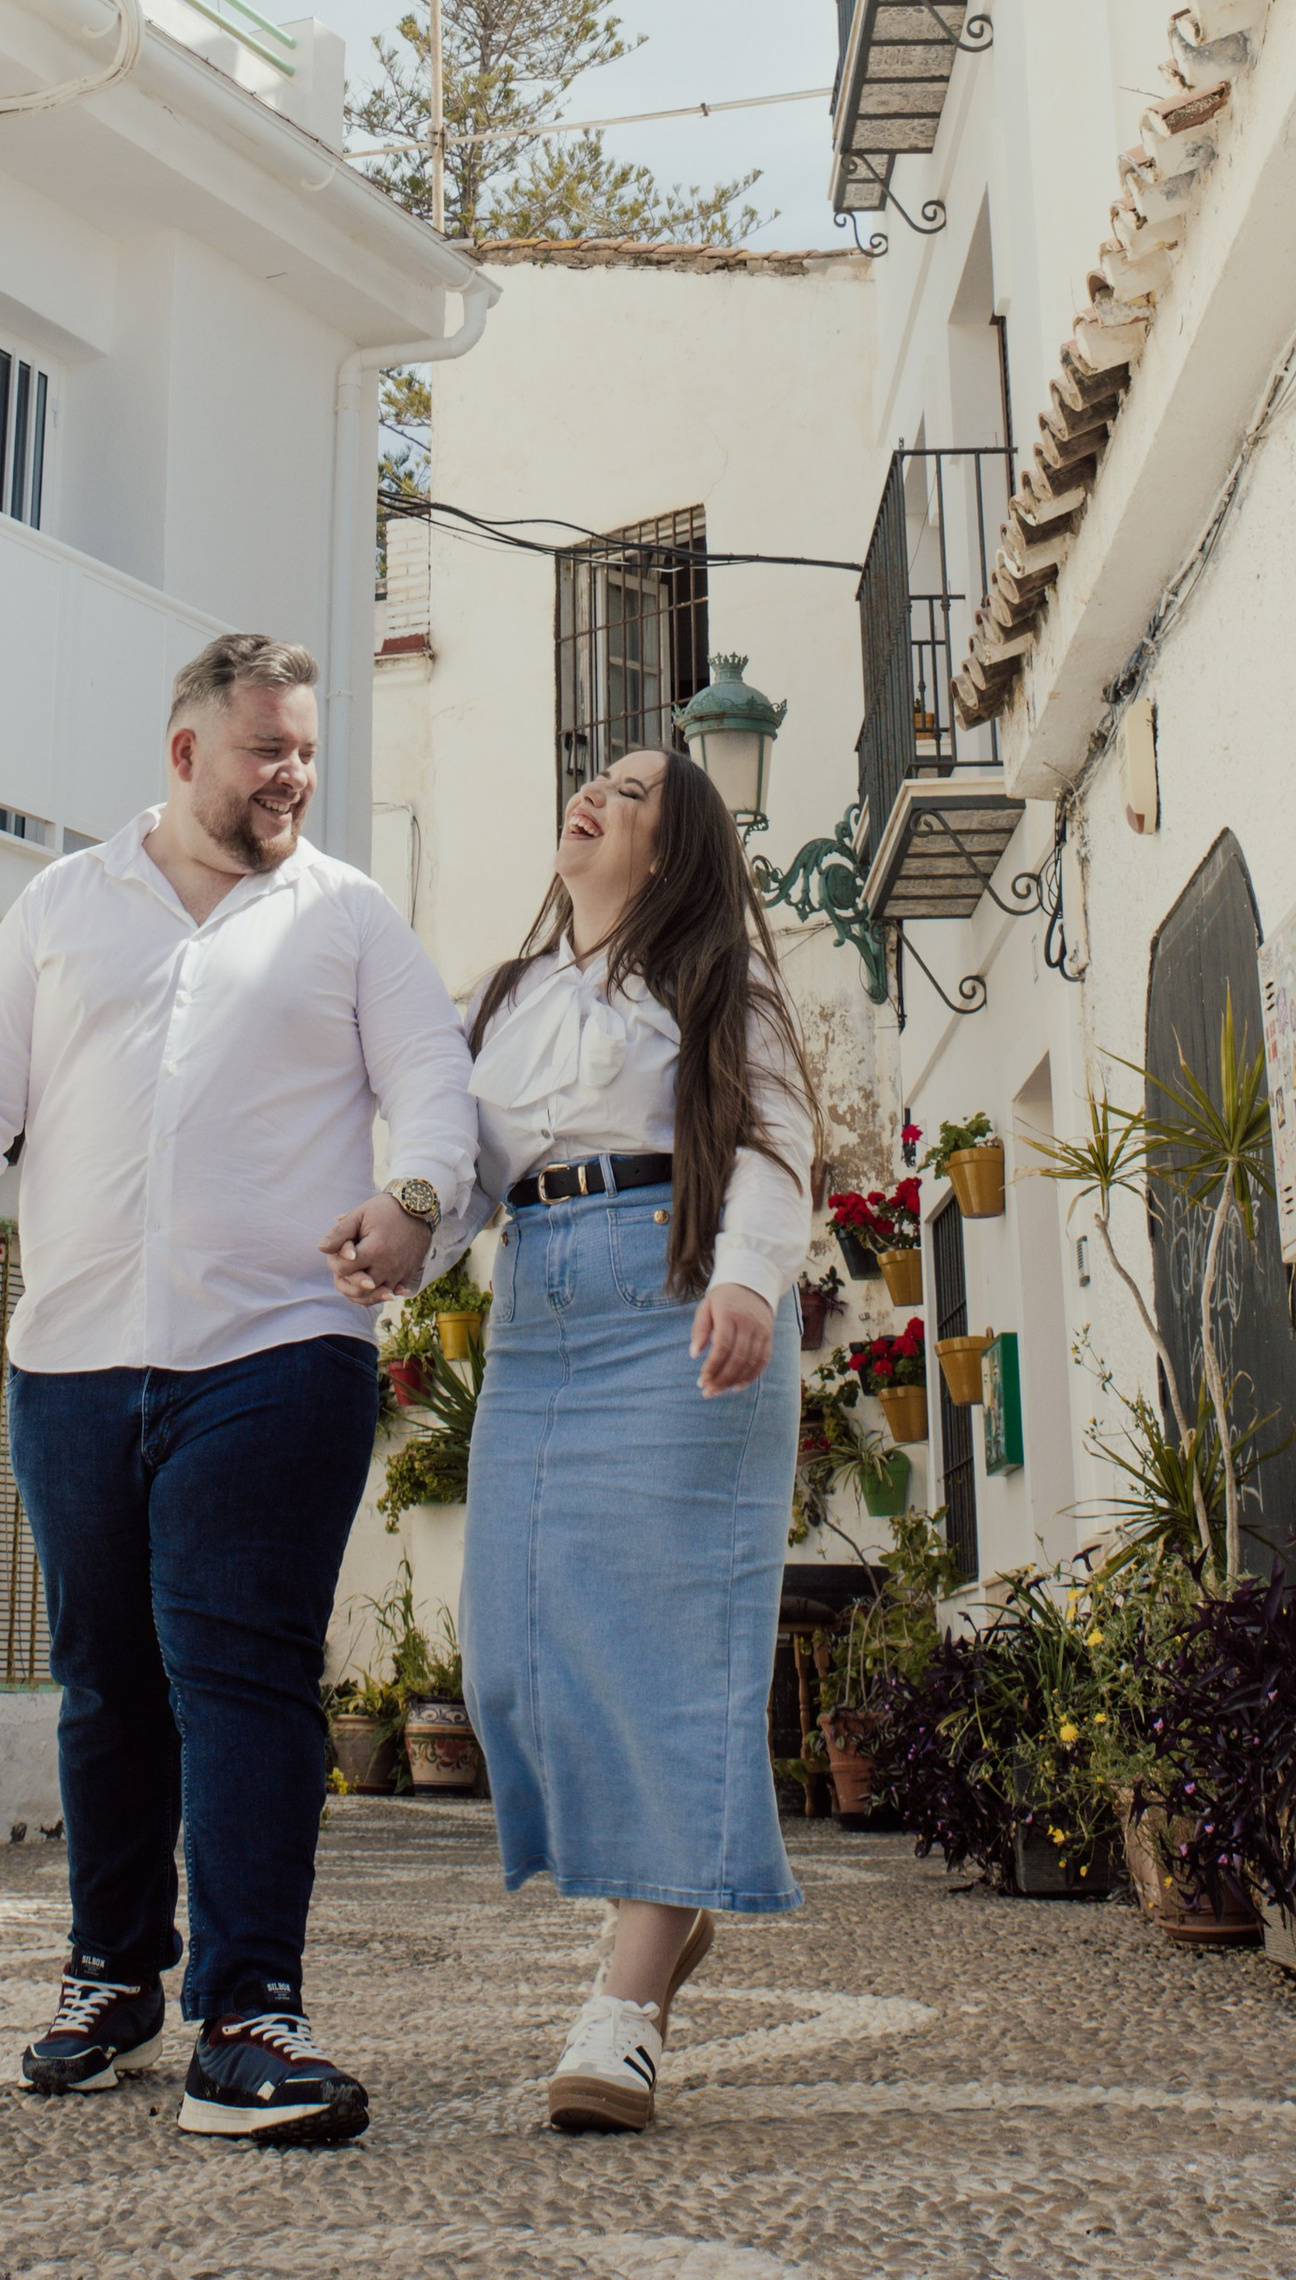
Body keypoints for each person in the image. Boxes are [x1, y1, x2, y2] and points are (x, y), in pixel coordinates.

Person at [0, 630, 474, 2153]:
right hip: (74, 1358)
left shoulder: (347, 918)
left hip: (280, 1346)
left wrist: (413, 1199)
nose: (288, 776)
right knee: (106, 1680)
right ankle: (112, 1975)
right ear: (183, 754)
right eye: (263, 749)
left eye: (303, 753)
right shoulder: (62, 908)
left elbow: (431, 1081)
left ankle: (250, 2012)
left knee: (242, 1667)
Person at [449, 742, 815, 2132]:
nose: (595, 794)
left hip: (679, 1314)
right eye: (594, 777)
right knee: (514, 1661)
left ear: (673, 850)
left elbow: (777, 1147)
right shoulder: (501, 999)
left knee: (667, 1660)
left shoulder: (724, 984)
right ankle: (660, 1905)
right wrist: (398, 1239)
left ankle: (630, 1996)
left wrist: (746, 1280)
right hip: (539, 1322)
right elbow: (467, 1181)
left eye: (638, 792)